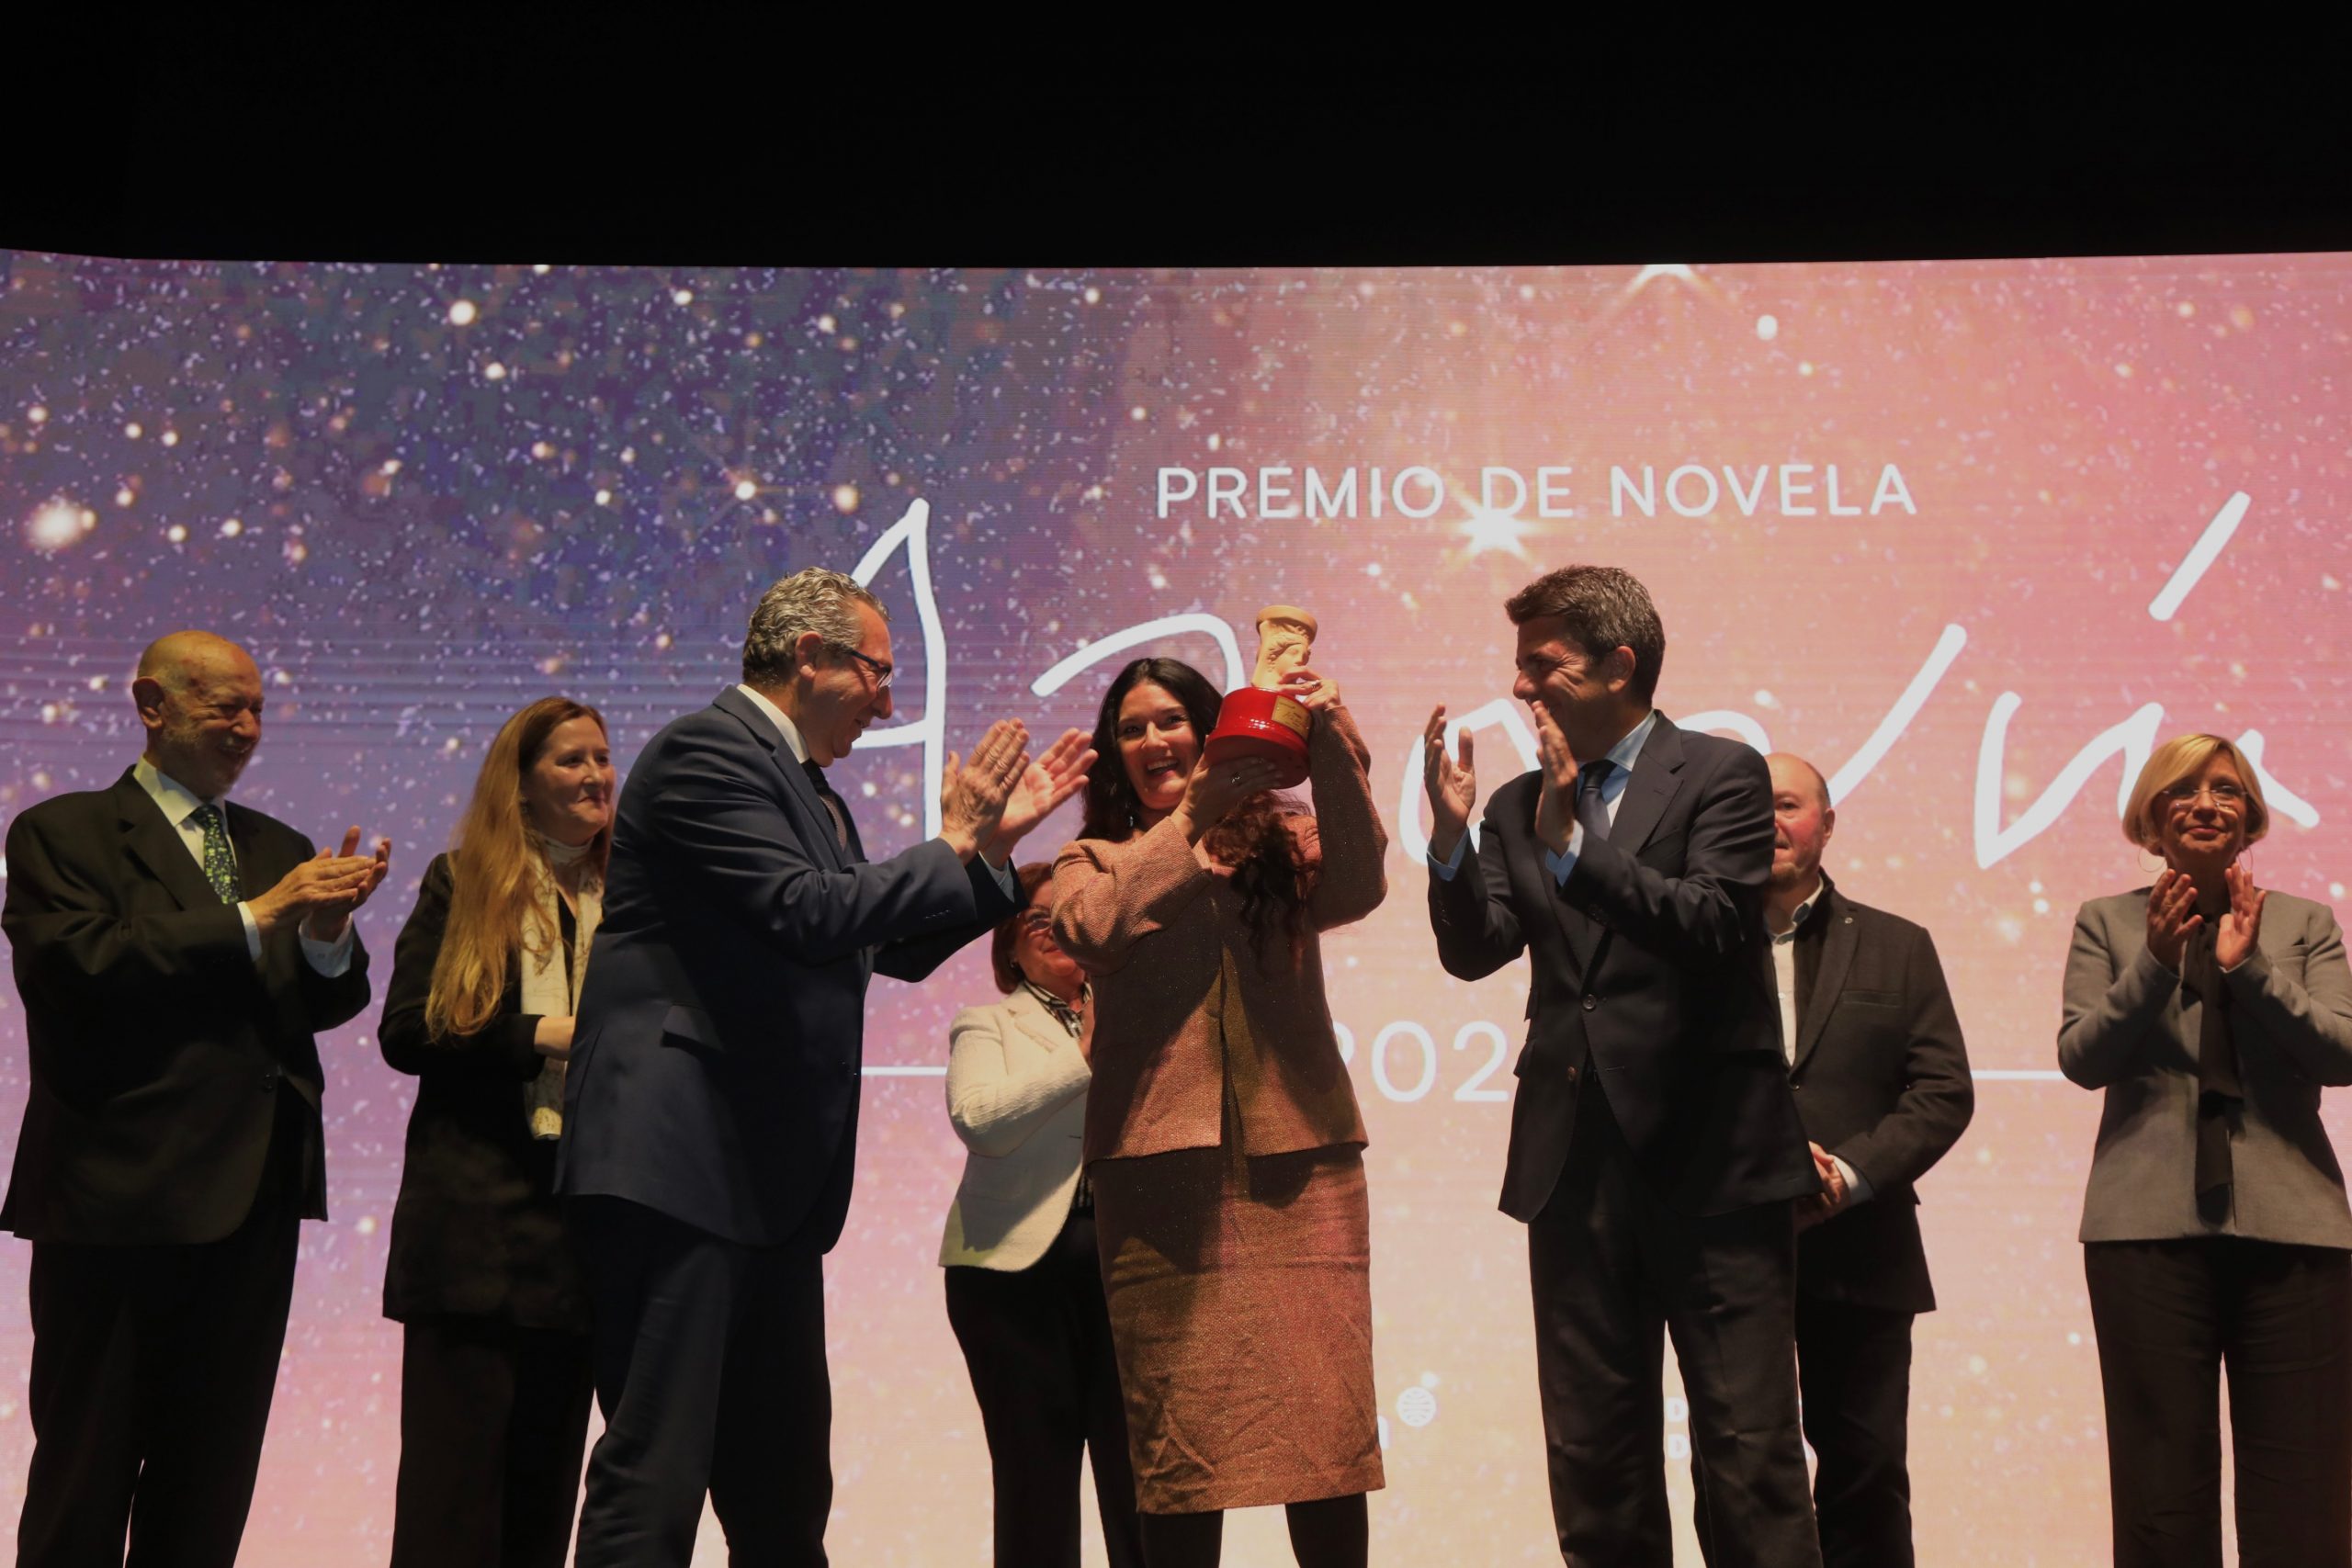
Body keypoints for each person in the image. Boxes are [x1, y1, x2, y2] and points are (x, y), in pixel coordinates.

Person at [557, 567, 1095, 1568]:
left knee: (784, 1496)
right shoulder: (706, 751)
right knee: (654, 1480)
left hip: (764, 1188)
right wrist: (951, 841)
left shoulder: (812, 794)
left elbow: (878, 943)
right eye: (877, 673)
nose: (887, 704)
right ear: (809, 656)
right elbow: (805, 912)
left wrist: (988, 857)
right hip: (679, 1167)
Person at [1420, 565, 1821, 1568]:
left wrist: (1572, 847)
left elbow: (1713, 924)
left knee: (1749, 1458)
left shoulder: (1721, 772)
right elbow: (1476, 949)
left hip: (1714, 1161)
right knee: (1594, 1462)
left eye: (1541, 663)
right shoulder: (1514, 804)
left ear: (1619, 665)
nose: (1520, 685)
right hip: (1573, 1166)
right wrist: (1450, 841)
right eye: (1519, 664)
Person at [0, 629, 390, 1568]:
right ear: (152, 705)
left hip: (253, 1199)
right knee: (87, 1471)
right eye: (225, 707)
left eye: (257, 708)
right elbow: (79, 965)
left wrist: (326, 932)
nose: (247, 727)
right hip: (116, 1200)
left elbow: (317, 1000)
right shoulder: (63, 831)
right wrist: (258, 916)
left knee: (210, 1478)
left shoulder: (276, 845)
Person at [1052, 654, 1386, 1568]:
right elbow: (1092, 930)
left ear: (1210, 730)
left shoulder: (1282, 840)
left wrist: (1327, 743)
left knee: (1324, 1428)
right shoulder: (1095, 861)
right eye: (1132, 728)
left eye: (1170, 720)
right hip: (1159, 1182)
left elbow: (1360, 883)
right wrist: (1191, 819)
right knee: (1179, 1444)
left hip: (1302, 1168)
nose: (1153, 740)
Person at [2057, 733, 2352, 1568]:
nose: (2205, 803)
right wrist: (2154, 964)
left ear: (2250, 815)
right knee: (2160, 1493)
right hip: (2144, 1228)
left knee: (2303, 1492)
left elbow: (2342, 1053)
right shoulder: (2108, 921)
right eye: (2182, 789)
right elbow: (2081, 1057)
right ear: (2151, 818)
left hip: (2295, 1228)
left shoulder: (2304, 922)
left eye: (2225, 788)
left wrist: (2253, 969)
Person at [1692, 752, 1973, 1568]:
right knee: (1734, 1476)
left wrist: (1843, 1174)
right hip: (1728, 1247)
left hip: (1863, 1246)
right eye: (1751, 805)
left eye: (1787, 803)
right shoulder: (1694, 943)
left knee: (1867, 1472)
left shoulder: (1897, 944)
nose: (1769, 820)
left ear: (1827, 824)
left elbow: (1943, 1091)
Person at [378, 696, 616, 1568]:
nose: (595, 775)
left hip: (581, 1239)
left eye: (602, 757)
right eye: (570, 760)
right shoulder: (462, 882)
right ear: (519, 785)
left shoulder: (632, 897)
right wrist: (541, 1034)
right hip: (473, 1238)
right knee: (450, 1513)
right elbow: (409, 1029)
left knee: (541, 1513)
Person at [938, 863, 1144, 1568]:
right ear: (1010, 948)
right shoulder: (987, 1023)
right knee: (1036, 1489)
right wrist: (1084, 1053)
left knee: (1143, 1489)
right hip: (1011, 1280)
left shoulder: (1142, 1014)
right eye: (1037, 920)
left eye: (1071, 916)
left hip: (1129, 1268)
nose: (1056, 930)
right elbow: (980, 1121)